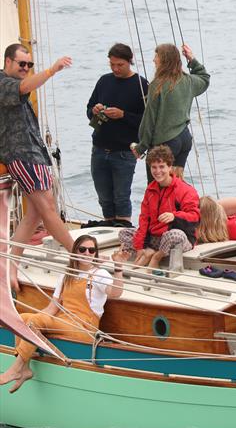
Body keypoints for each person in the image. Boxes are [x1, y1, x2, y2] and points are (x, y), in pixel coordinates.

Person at [0, 235, 127, 393]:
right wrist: (26, 320)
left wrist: (119, 267)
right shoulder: (66, 275)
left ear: (95, 253)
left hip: (83, 328)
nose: (87, 253)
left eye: (91, 250)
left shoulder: (99, 274)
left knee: (33, 321)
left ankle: (16, 368)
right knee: (23, 319)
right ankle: (25, 369)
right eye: (82, 249)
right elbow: (51, 309)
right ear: (75, 252)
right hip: (63, 322)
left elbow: (116, 292)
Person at [1, 43, 74, 292]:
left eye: (29, 65)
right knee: (48, 209)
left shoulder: (14, 83)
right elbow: (24, 87)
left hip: (36, 153)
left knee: (33, 214)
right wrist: (52, 70)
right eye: (22, 64)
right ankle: (82, 258)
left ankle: (10, 264)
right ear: (8, 62)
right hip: (21, 155)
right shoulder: (3, 83)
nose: (26, 69)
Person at [86, 43, 148, 228]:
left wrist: (123, 115)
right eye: (112, 64)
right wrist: (95, 110)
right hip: (99, 148)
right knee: (105, 198)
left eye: (119, 65)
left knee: (121, 197)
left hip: (124, 151)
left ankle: (123, 233)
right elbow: (89, 109)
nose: (115, 69)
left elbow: (148, 120)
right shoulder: (104, 81)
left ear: (130, 62)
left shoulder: (141, 84)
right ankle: (108, 229)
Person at [131, 43, 209, 182]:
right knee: (175, 185)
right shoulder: (188, 80)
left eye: (156, 56)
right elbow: (204, 78)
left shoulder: (158, 85)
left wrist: (141, 147)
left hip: (165, 144)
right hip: (184, 139)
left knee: (157, 187)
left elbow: (150, 119)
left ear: (164, 60)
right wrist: (192, 59)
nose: (154, 60)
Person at [118, 145, 200, 272]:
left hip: (177, 237)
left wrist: (175, 216)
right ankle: (148, 252)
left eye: (162, 167)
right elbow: (144, 219)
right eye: (154, 167)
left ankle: (156, 256)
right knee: (123, 233)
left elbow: (195, 217)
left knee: (174, 235)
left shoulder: (185, 190)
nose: (157, 171)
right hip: (155, 238)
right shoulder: (151, 189)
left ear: (169, 167)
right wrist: (140, 247)